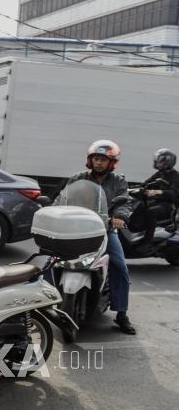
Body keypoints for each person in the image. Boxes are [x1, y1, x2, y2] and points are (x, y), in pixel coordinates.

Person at [57, 140, 135, 335]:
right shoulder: (77, 178)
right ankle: (47, 300)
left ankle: (121, 313)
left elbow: (125, 202)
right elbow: (62, 198)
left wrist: (119, 216)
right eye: (96, 159)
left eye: (103, 159)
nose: (99, 163)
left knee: (119, 266)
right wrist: (54, 210)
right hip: (76, 229)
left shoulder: (118, 182)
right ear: (90, 160)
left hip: (104, 230)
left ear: (112, 163)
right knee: (50, 260)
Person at [142, 148, 179, 227]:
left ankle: (148, 238)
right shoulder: (160, 173)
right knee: (140, 207)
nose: (157, 163)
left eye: (160, 161)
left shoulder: (176, 176)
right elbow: (146, 183)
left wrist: (158, 192)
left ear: (168, 162)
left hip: (171, 206)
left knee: (151, 212)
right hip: (158, 202)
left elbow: (173, 193)